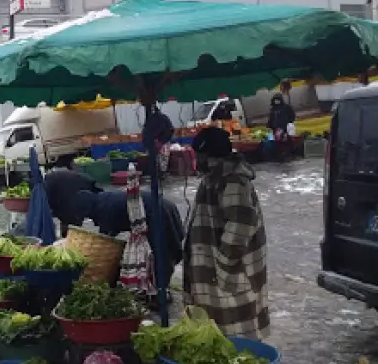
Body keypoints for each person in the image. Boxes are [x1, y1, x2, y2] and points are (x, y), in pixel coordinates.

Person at [185, 126, 269, 340]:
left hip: (229, 272)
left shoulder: (232, 179)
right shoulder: (214, 177)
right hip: (217, 272)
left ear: (209, 155)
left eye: (200, 155)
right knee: (218, 327)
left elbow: (241, 223)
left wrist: (224, 265)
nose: (198, 160)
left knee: (236, 327)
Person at [75, 189, 184, 292]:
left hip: (158, 212)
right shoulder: (104, 198)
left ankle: (161, 292)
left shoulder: (104, 209)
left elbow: (105, 241)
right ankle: (157, 286)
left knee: (162, 253)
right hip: (164, 205)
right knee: (161, 250)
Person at [44, 159, 102, 237]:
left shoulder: (86, 182)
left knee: (67, 215)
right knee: (72, 216)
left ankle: (67, 236)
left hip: (58, 183)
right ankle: (70, 236)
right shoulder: (88, 184)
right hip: (59, 186)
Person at [266, 93, 296, 161]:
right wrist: (269, 125)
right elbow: (271, 118)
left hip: (285, 128)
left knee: (286, 141)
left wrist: (288, 123)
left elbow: (292, 116)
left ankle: (289, 154)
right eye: (275, 100)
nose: (276, 101)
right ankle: (279, 155)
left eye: (278, 99)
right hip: (275, 129)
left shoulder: (286, 107)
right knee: (277, 142)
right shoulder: (273, 109)